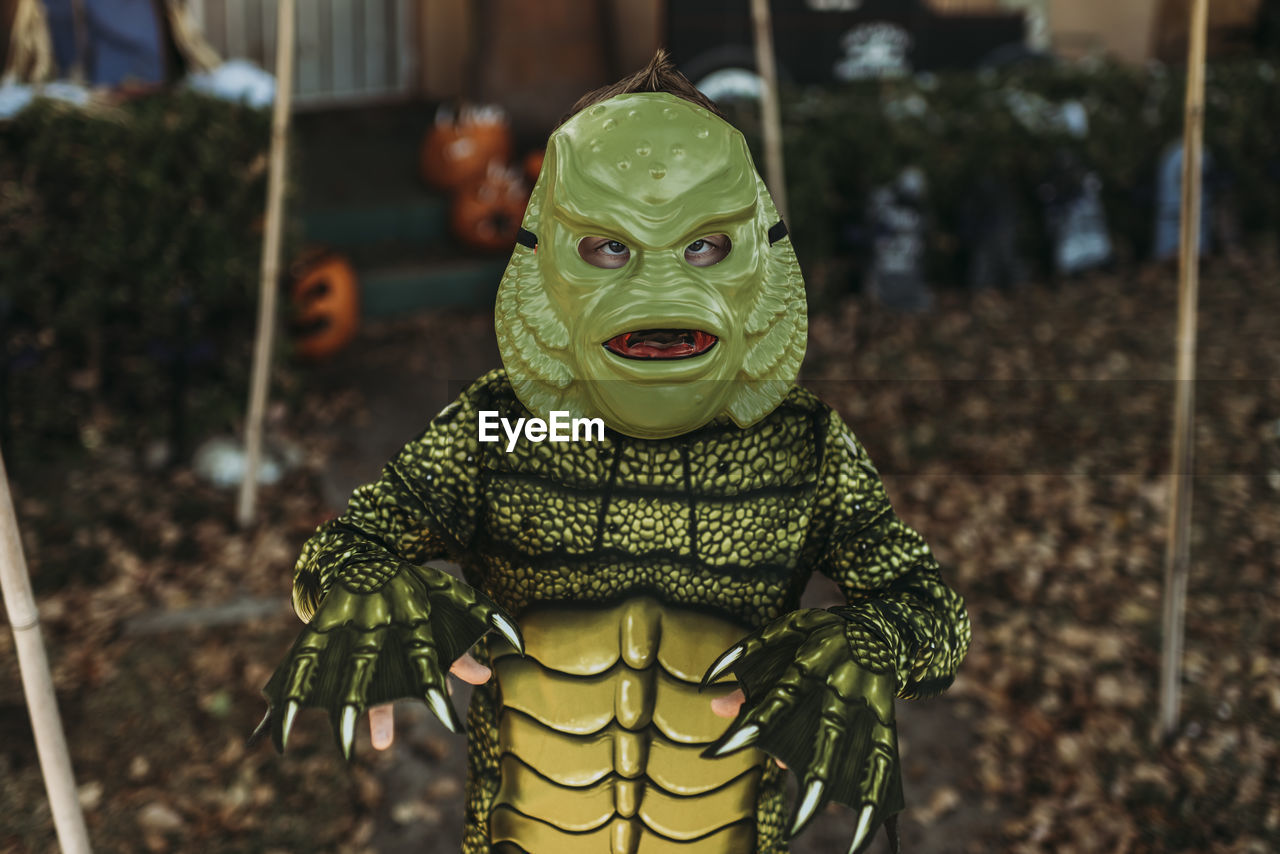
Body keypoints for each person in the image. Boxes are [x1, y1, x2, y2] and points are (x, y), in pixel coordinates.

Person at [253, 51, 970, 854]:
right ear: (548, 253)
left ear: (756, 247)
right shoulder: (506, 428)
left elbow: (932, 613)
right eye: (607, 249)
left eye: (702, 248)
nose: (661, 293)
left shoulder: (803, 446)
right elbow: (343, 550)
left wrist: (871, 646)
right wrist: (365, 592)